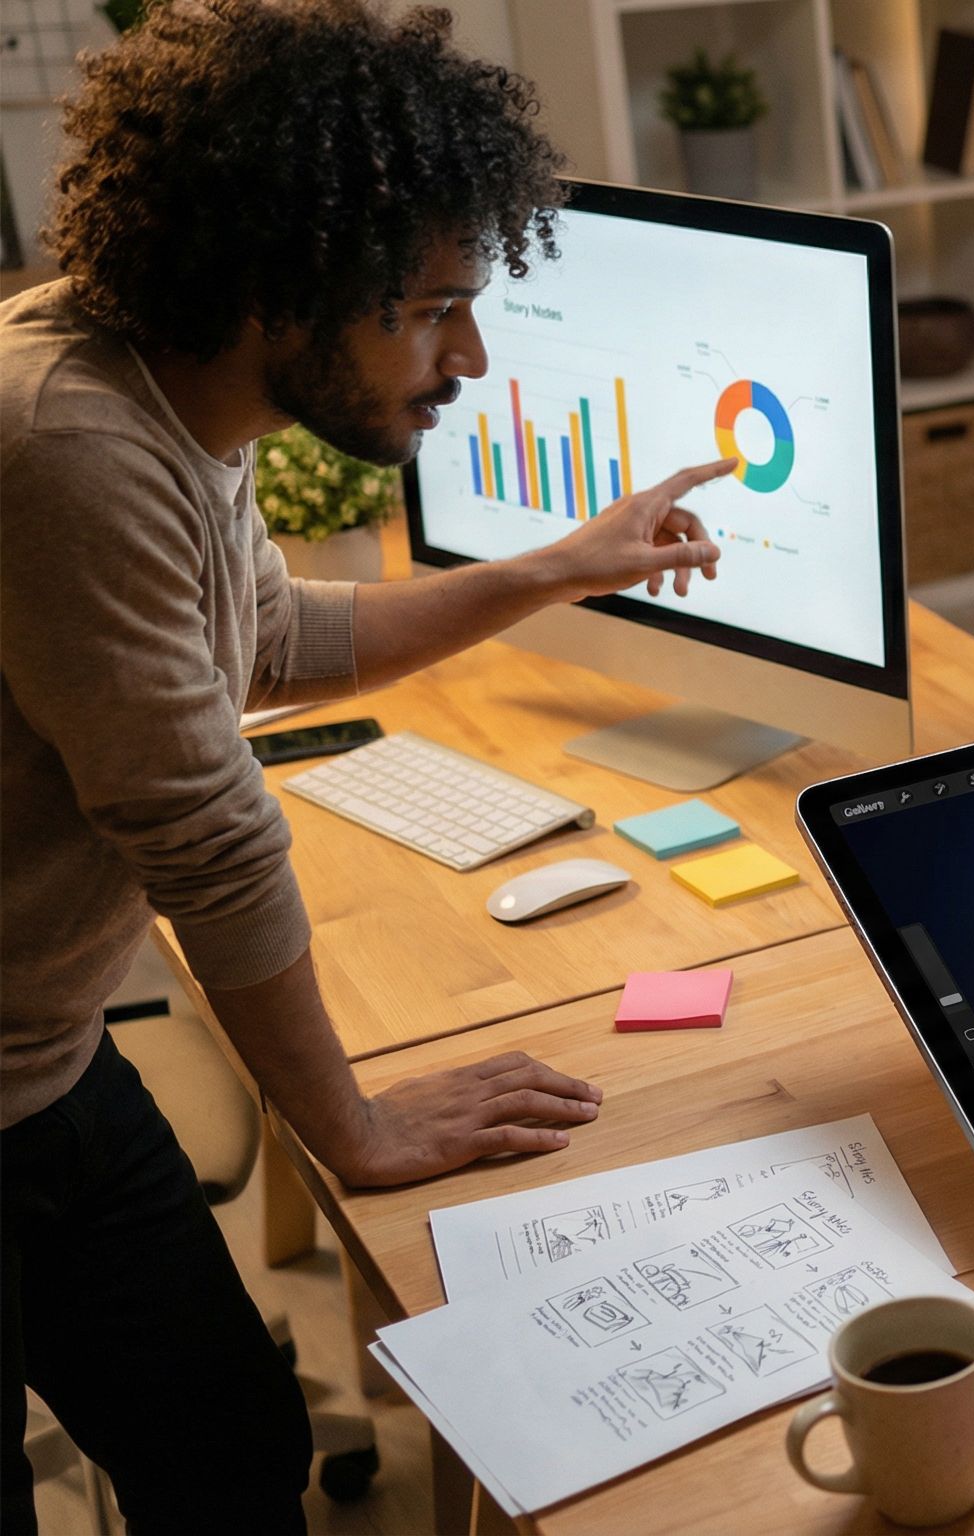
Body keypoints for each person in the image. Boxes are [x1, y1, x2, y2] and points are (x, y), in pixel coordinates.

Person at [0, 3, 735, 1527]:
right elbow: (211, 841)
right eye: (431, 308)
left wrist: (560, 567)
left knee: (230, 1453)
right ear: (284, 279)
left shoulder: (173, 389)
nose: (469, 354)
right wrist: (354, 1126)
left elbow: (269, 637)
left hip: (43, 1060)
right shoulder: (68, 446)